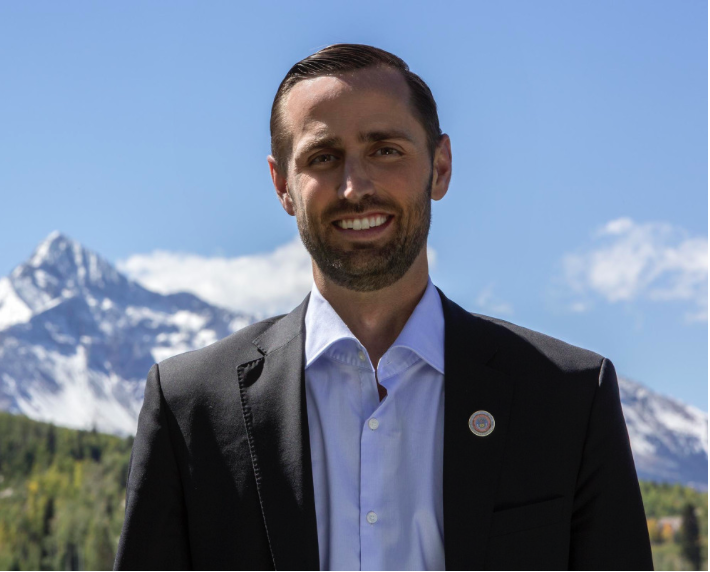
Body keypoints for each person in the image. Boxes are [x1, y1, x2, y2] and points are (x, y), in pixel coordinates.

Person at [114, 44, 653, 571]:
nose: (355, 188)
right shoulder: (190, 407)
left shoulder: (568, 397)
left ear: (440, 167)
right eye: (323, 158)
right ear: (283, 186)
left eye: (385, 150)